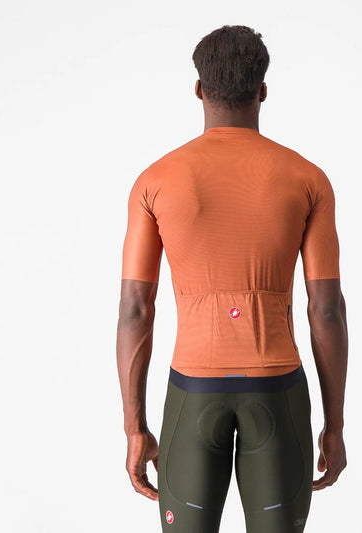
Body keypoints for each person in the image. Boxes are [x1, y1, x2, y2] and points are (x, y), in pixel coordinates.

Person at [116, 24, 348, 533]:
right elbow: (326, 309)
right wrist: (334, 425)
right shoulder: (308, 179)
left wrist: (135, 428)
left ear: (199, 89)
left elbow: (135, 310)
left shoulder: (155, 181)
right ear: (262, 91)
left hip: (192, 390)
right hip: (279, 391)